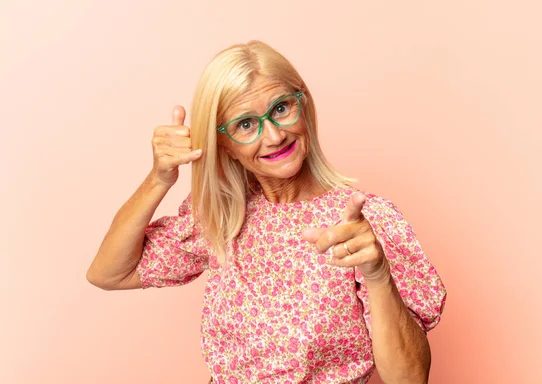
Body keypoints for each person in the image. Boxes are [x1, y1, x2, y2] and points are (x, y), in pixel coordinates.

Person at [86, 40, 447, 384]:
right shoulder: (224, 216)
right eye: (245, 124)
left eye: (280, 108)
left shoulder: (365, 225)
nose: (273, 136)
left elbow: (410, 378)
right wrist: (158, 178)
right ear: (223, 145)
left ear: (303, 105)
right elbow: (108, 273)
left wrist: (378, 273)